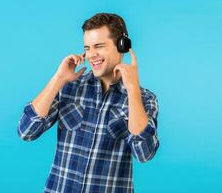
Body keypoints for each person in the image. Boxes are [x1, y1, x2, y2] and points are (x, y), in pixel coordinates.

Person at [17, 12, 160, 193]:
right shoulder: (69, 87)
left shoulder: (145, 99)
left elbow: (144, 153)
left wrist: (132, 90)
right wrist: (58, 79)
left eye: (98, 46)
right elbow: (26, 131)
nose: (91, 55)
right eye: (87, 48)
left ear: (121, 46)